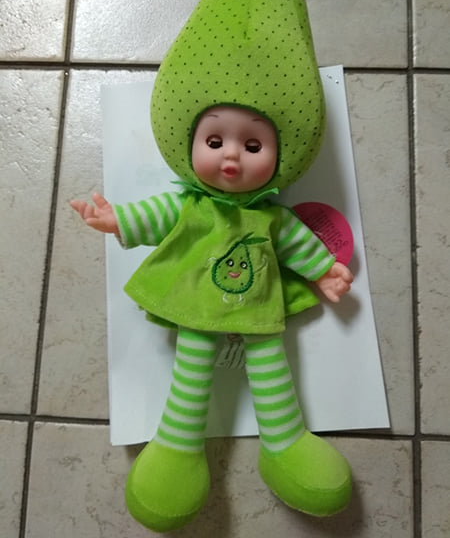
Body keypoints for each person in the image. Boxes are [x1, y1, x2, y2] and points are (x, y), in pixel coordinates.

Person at [71, 104, 353, 532]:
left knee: (273, 372)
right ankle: (177, 445)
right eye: (215, 141)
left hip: (258, 311)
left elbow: (297, 243)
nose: (232, 155)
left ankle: (285, 442)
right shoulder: (192, 207)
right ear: (190, 146)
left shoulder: (272, 218)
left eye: (253, 145)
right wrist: (118, 220)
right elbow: (157, 215)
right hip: (198, 310)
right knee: (190, 374)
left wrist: (324, 270)